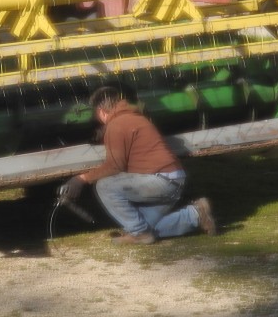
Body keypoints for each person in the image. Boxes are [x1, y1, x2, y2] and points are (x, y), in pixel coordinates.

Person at [60, 86, 217, 245]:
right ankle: (196, 215)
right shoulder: (134, 117)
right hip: (173, 179)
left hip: (161, 181)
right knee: (143, 225)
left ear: (101, 111)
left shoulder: (116, 125)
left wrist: (81, 179)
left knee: (105, 186)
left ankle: (140, 234)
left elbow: (114, 166)